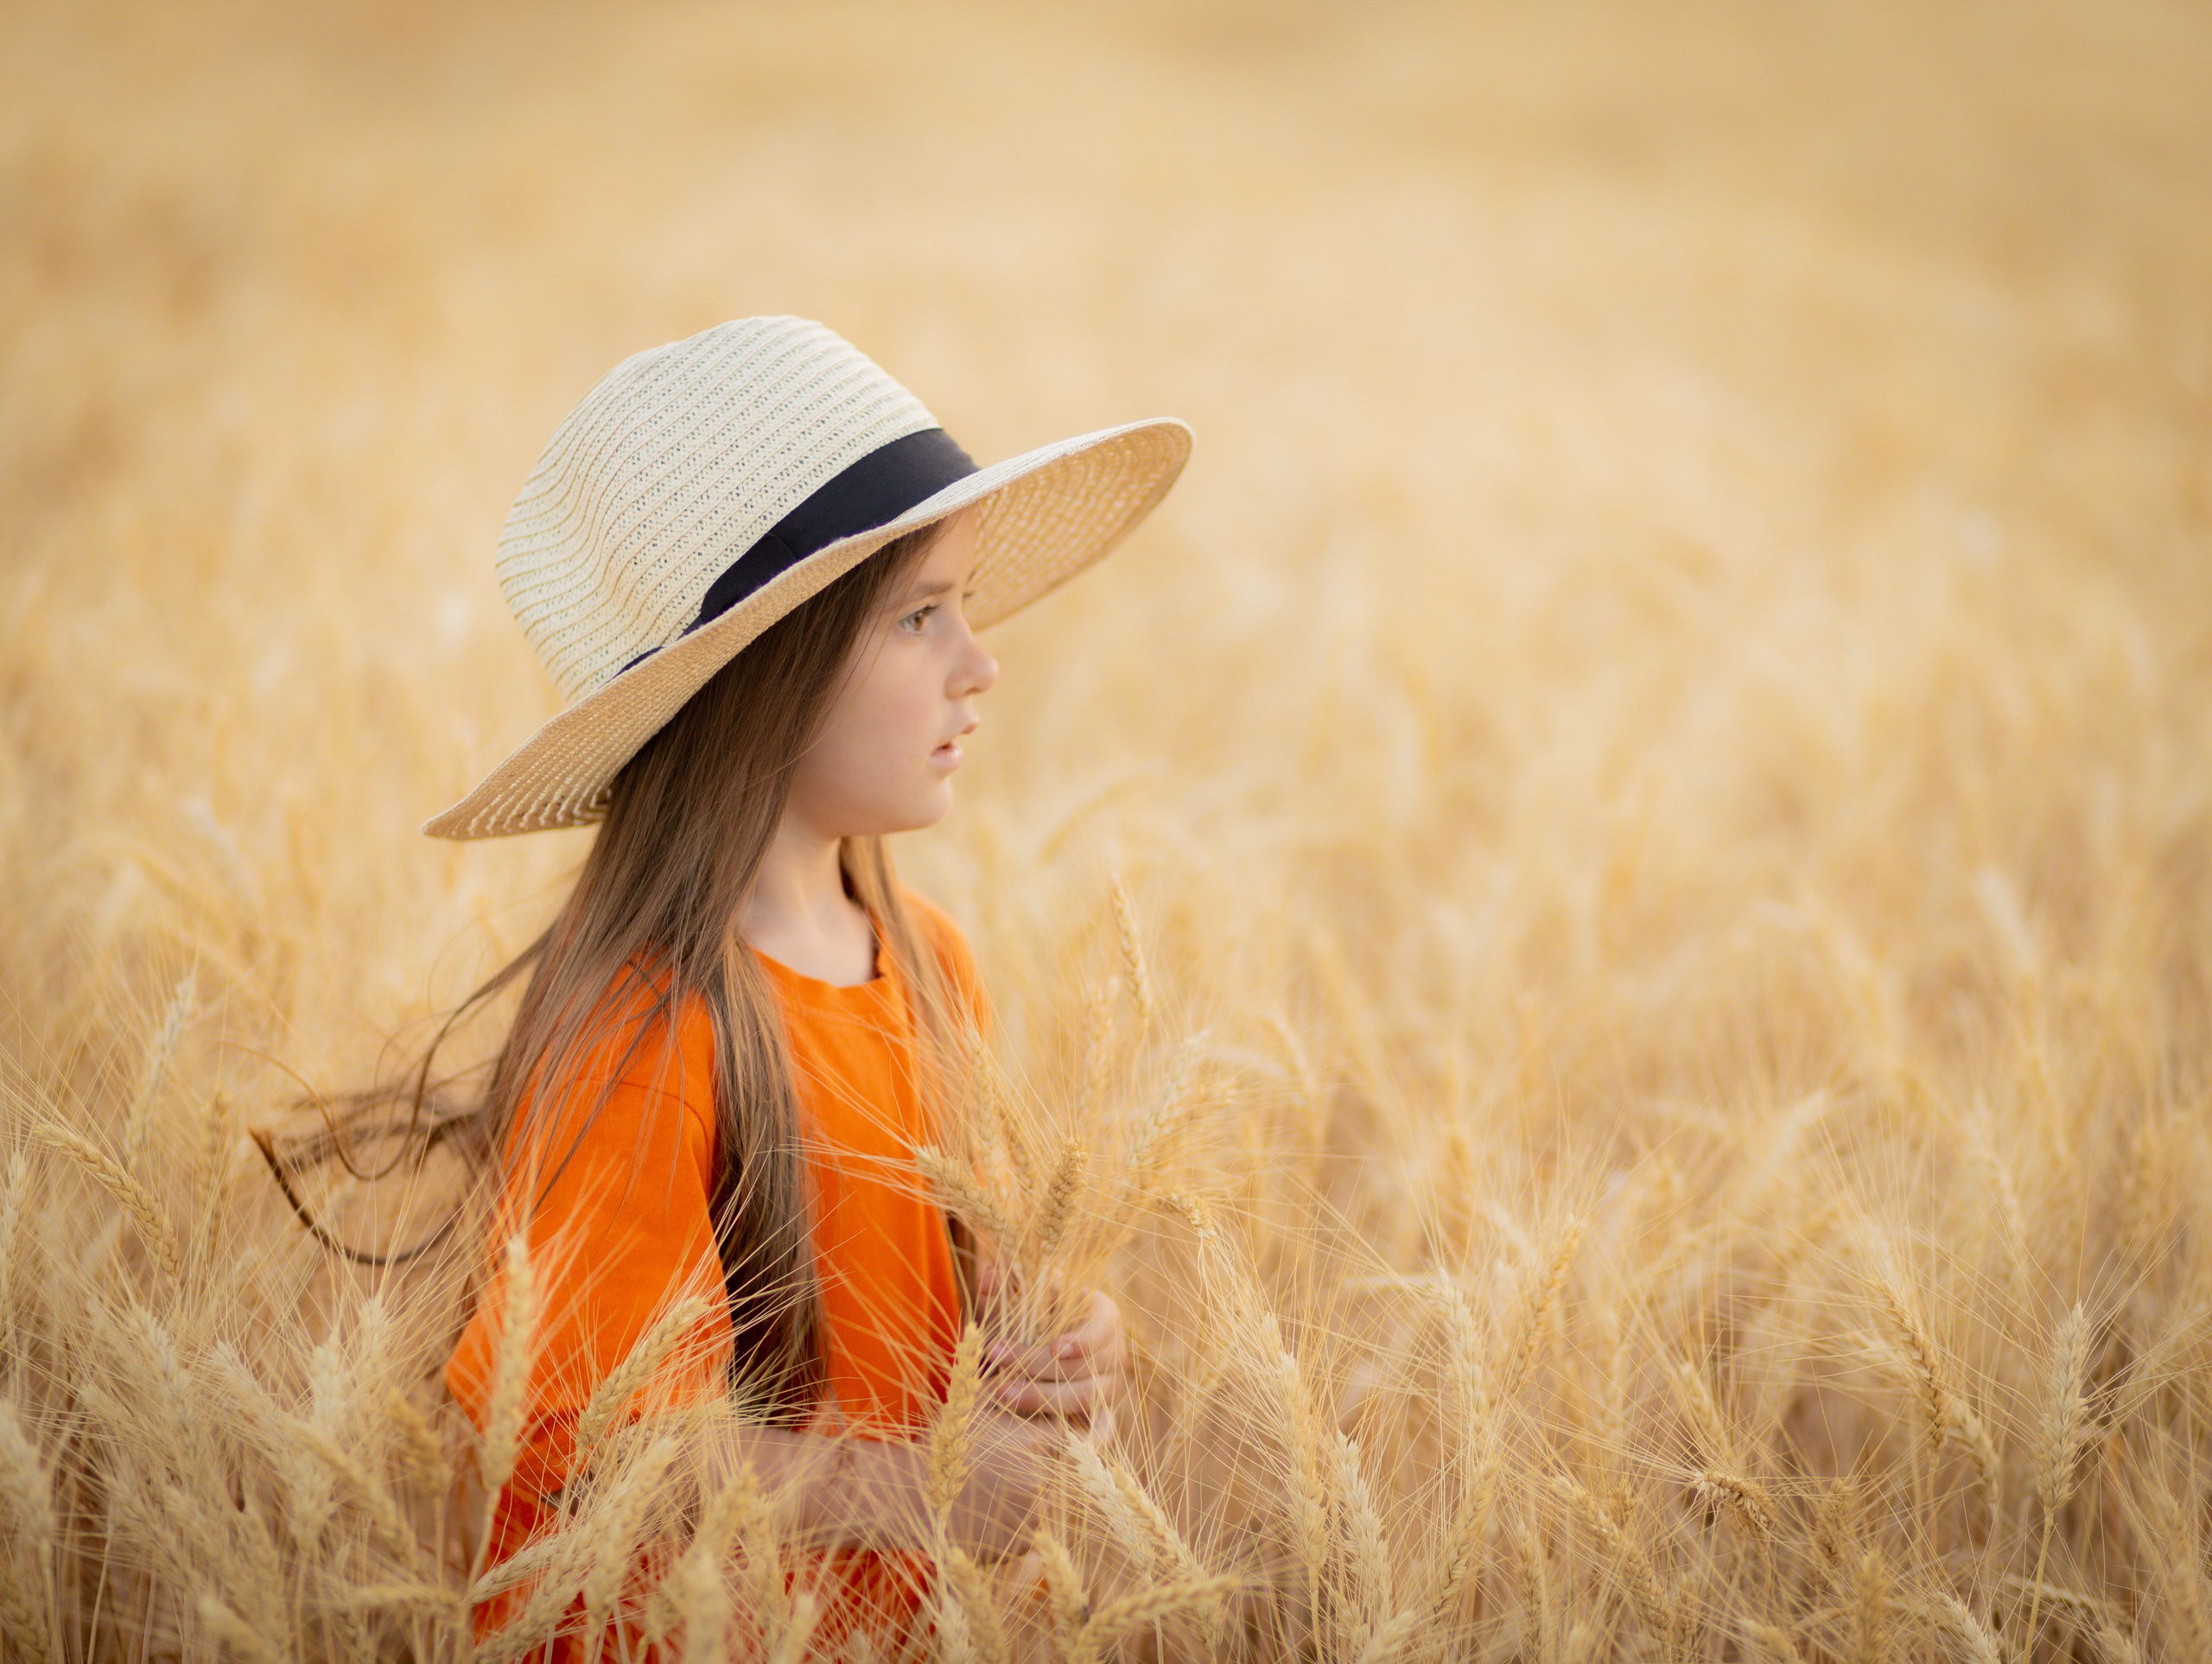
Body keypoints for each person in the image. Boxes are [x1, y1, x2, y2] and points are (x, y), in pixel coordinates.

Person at [428, 316, 1192, 1659]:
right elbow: (594, 1442)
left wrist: (1064, 1333)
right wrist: (925, 1493)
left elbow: (952, 1275)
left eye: (963, 604)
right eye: (919, 616)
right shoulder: (646, 1020)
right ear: (761, 680)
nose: (980, 662)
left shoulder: (929, 962)